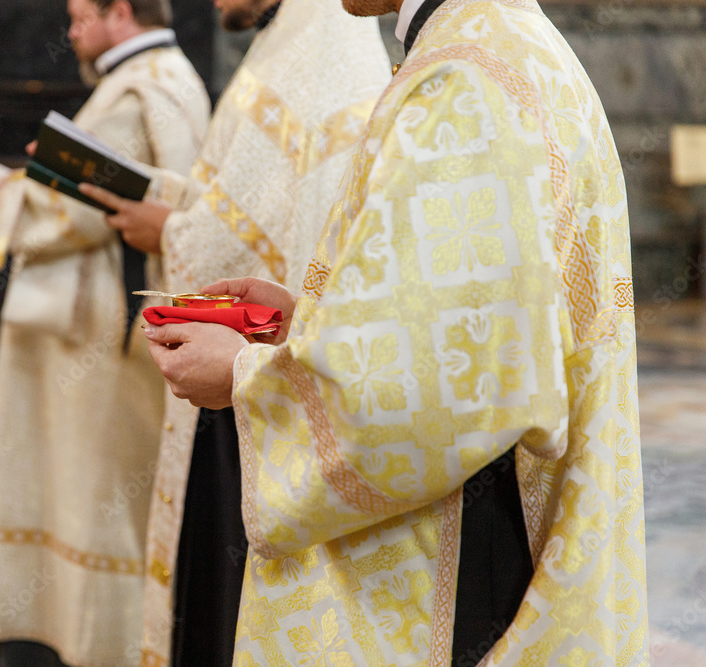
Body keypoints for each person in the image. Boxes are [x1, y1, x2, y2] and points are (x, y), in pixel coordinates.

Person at [137, 0, 649, 664]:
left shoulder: (462, 78)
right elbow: (475, 325)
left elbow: (422, 402)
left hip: (458, 554)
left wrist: (243, 377)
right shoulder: (502, 41)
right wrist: (311, 325)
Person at [79, 0, 392, 663]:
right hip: (249, 358)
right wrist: (170, 204)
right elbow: (237, 197)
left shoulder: (321, 47)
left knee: (222, 601)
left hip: (255, 371)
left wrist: (166, 228)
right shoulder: (291, 36)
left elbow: (254, 232)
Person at [0, 1, 210, 665]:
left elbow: (76, 214)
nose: (71, 32)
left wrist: (7, 197)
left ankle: (69, 644)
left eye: (79, 15)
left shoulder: (134, 90)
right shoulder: (176, 77)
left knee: (80, 499)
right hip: (112, 335)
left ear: (120, 11)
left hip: (92, 346)